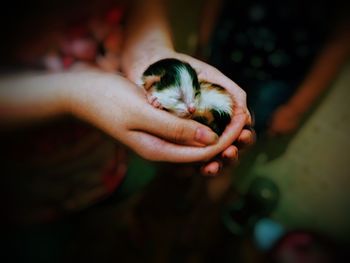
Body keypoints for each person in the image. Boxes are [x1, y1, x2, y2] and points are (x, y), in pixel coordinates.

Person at [0, 0, 254, 223]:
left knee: (115, 212)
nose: (190, 106)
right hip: (22, 187)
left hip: (114, 158)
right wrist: (73, 95)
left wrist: (152, 52)